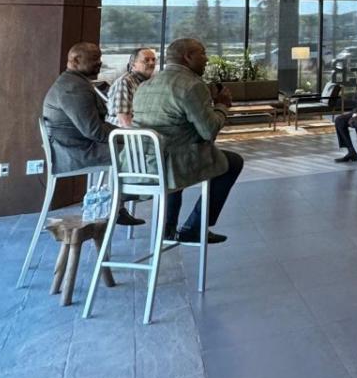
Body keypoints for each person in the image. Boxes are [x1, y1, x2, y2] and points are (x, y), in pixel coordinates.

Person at [132, 38, 245, 242]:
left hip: (140, 163)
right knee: (233, 162)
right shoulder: (192, 85)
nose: (207, 58)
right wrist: (221, 106)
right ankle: (195, 227)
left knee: (178, 150)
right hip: (171, 165)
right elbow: (208, 131)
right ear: (188, 57)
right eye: (202, 53)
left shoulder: (146, 85)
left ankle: (167, 226)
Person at [43, 42, 143, 227]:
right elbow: (94, 131)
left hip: (76, 146)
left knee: (135, 146)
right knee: (140, 150)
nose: (99, 63)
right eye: (93, 60)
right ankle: (133, 193)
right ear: (75, 60)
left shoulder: (74, 82)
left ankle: (119, 201)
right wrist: (130, 136)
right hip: (75, 152)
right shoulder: (74, 88)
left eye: (99, 58)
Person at [106, 47, 157, 127]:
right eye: (146, 60)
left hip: (143, 129)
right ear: (133, 65)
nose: (151, 63)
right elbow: (124, 120)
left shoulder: (149, 81)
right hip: (124, 133)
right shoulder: (125, 82)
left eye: (153, 60)